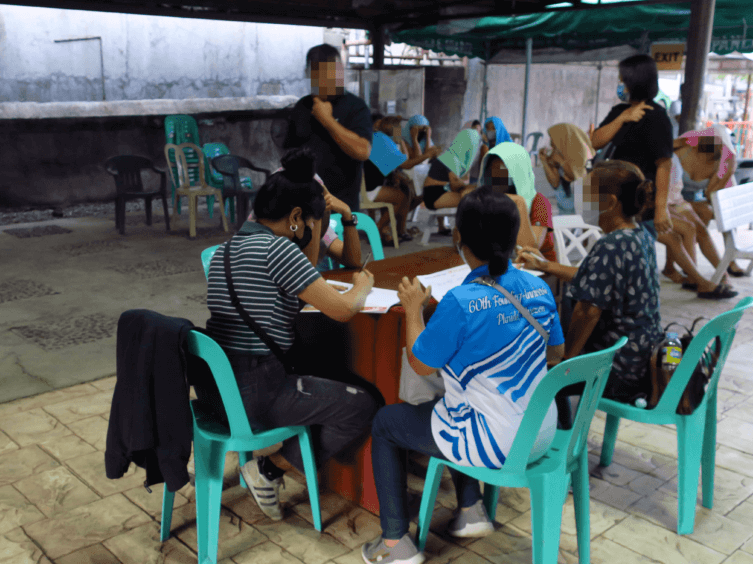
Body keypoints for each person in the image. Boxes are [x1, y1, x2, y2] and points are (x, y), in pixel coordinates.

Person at [362, 187, 564, 564]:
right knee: (454, 401)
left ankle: (395, 544)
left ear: (458, 238)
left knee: (386, 422)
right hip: (541, 432)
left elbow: (421, 363)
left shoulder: (460, 300)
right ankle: (470, 509)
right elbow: (556, 354)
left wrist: (412, 310)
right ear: (513, 235)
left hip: (494, 443)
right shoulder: (538, 286)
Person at [205, 149, 380, 521]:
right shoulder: (279, 251)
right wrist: (362, 286)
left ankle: (273, 463)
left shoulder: (226, 249)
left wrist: (314, 228)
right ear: (297, 217)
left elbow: (301, 280)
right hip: (259, 393)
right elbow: (343, 309)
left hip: (219, 392)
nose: (317, 231)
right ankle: (268, 470)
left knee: (323, 371)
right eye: (317, 224)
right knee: (363, 404)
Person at [518, 161, 663, 405]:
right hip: (640, 358)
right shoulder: (640, 236)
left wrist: (566, 362)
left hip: (616, 370)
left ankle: (555, 433)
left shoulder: (612, 245)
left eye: (588, 194)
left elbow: (587, 312)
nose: (582, 200)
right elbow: (598, 278)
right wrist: (546, 266)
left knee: (527, 370)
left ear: (610, 203)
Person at [590, 54, 674, 239]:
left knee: (639, 245)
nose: (620, 83)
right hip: (614, 196)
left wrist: (661, 209)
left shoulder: (657, 117)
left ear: (635, 81)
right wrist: (623, 118)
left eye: (622, 79)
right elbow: (595, 141)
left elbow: (664, 165)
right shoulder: (619, 111)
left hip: (641, 199)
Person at [284, 44, 372, 211]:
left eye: (336, 72)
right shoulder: (301, 107)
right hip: (304, 206)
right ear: (310, 74)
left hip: (341, 207)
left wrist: (328, 121)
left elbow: (363, 151)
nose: (331, 79)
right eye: (320, 73)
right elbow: (289, 155)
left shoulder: (355, 106)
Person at [658, 127, 741, 298]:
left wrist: (728, 172)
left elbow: (711, 193)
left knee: (701, 229)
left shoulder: (721, 162)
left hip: (677, 200)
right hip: (664, 201)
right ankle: (694, 278)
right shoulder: (678, 151)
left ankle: (722, 275)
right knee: (688, 228)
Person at [372, 116, 441, 244]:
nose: (397, 128)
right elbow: (406, 163)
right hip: (373, 187)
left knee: (408, 191)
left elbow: (399, 161)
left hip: (379, 183)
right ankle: (378, 229)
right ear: (380, 124)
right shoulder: (380, 139)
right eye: (395, 124)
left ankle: (398, 230)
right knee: (402, 196)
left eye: (398, 125)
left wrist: (399, 140)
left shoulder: (383, 138)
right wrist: (425, 153)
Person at [478, 142, 552, 259]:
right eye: (492, 171)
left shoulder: (539, 203)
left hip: (539, 270)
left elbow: (529, 251)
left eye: (503, 172)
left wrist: (520, 204)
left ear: (518, 174)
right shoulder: (489, 200)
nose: (496, 179)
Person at [539, 123, 594, 216]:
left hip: (581, 213)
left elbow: (579, 179)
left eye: (552, 137)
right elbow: (555, 183)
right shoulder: (558, 151)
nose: (550, 142)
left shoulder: (584, 155)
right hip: (564, 210)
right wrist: (544, 162)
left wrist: (562, 162)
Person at [421, 128, 482, 211]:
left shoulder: (454, 157)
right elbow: (455, 185)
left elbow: (459, 182)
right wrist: (473, 186)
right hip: (434, 195)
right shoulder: (451, 158)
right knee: (472, 200)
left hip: (440, 191)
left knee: (474, 195)